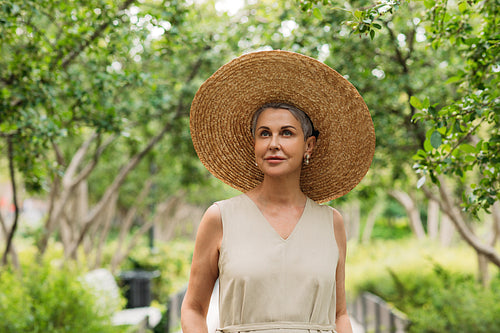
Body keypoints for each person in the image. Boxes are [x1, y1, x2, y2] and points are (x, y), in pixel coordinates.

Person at [181, 50, 375, 333]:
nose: (274, 143)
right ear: (254, 144)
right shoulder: (220, 217)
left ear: (309, 146)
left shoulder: (331, 223)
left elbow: (340, 314)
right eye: (264, 133)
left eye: (286, 133)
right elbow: (192, 309)